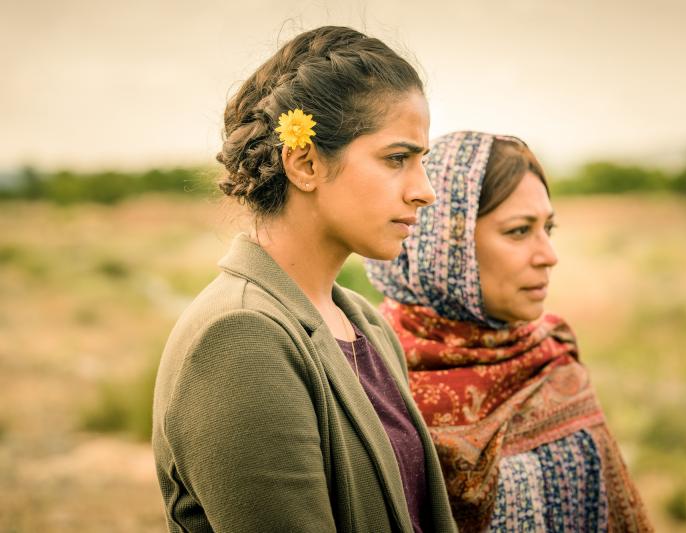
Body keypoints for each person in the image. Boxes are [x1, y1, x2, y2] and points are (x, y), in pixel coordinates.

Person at [152, 26, 458, 532]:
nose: (424, 190)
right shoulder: (241, 335)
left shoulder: (364, 323)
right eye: (397, 158)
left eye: (420, 161)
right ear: (305, 162)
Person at [365, 131, 652, 532]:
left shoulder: (551, 357)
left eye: (547, 229)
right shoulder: (368, 373)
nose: (548, 256)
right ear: (446, 244)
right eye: (519, 231)